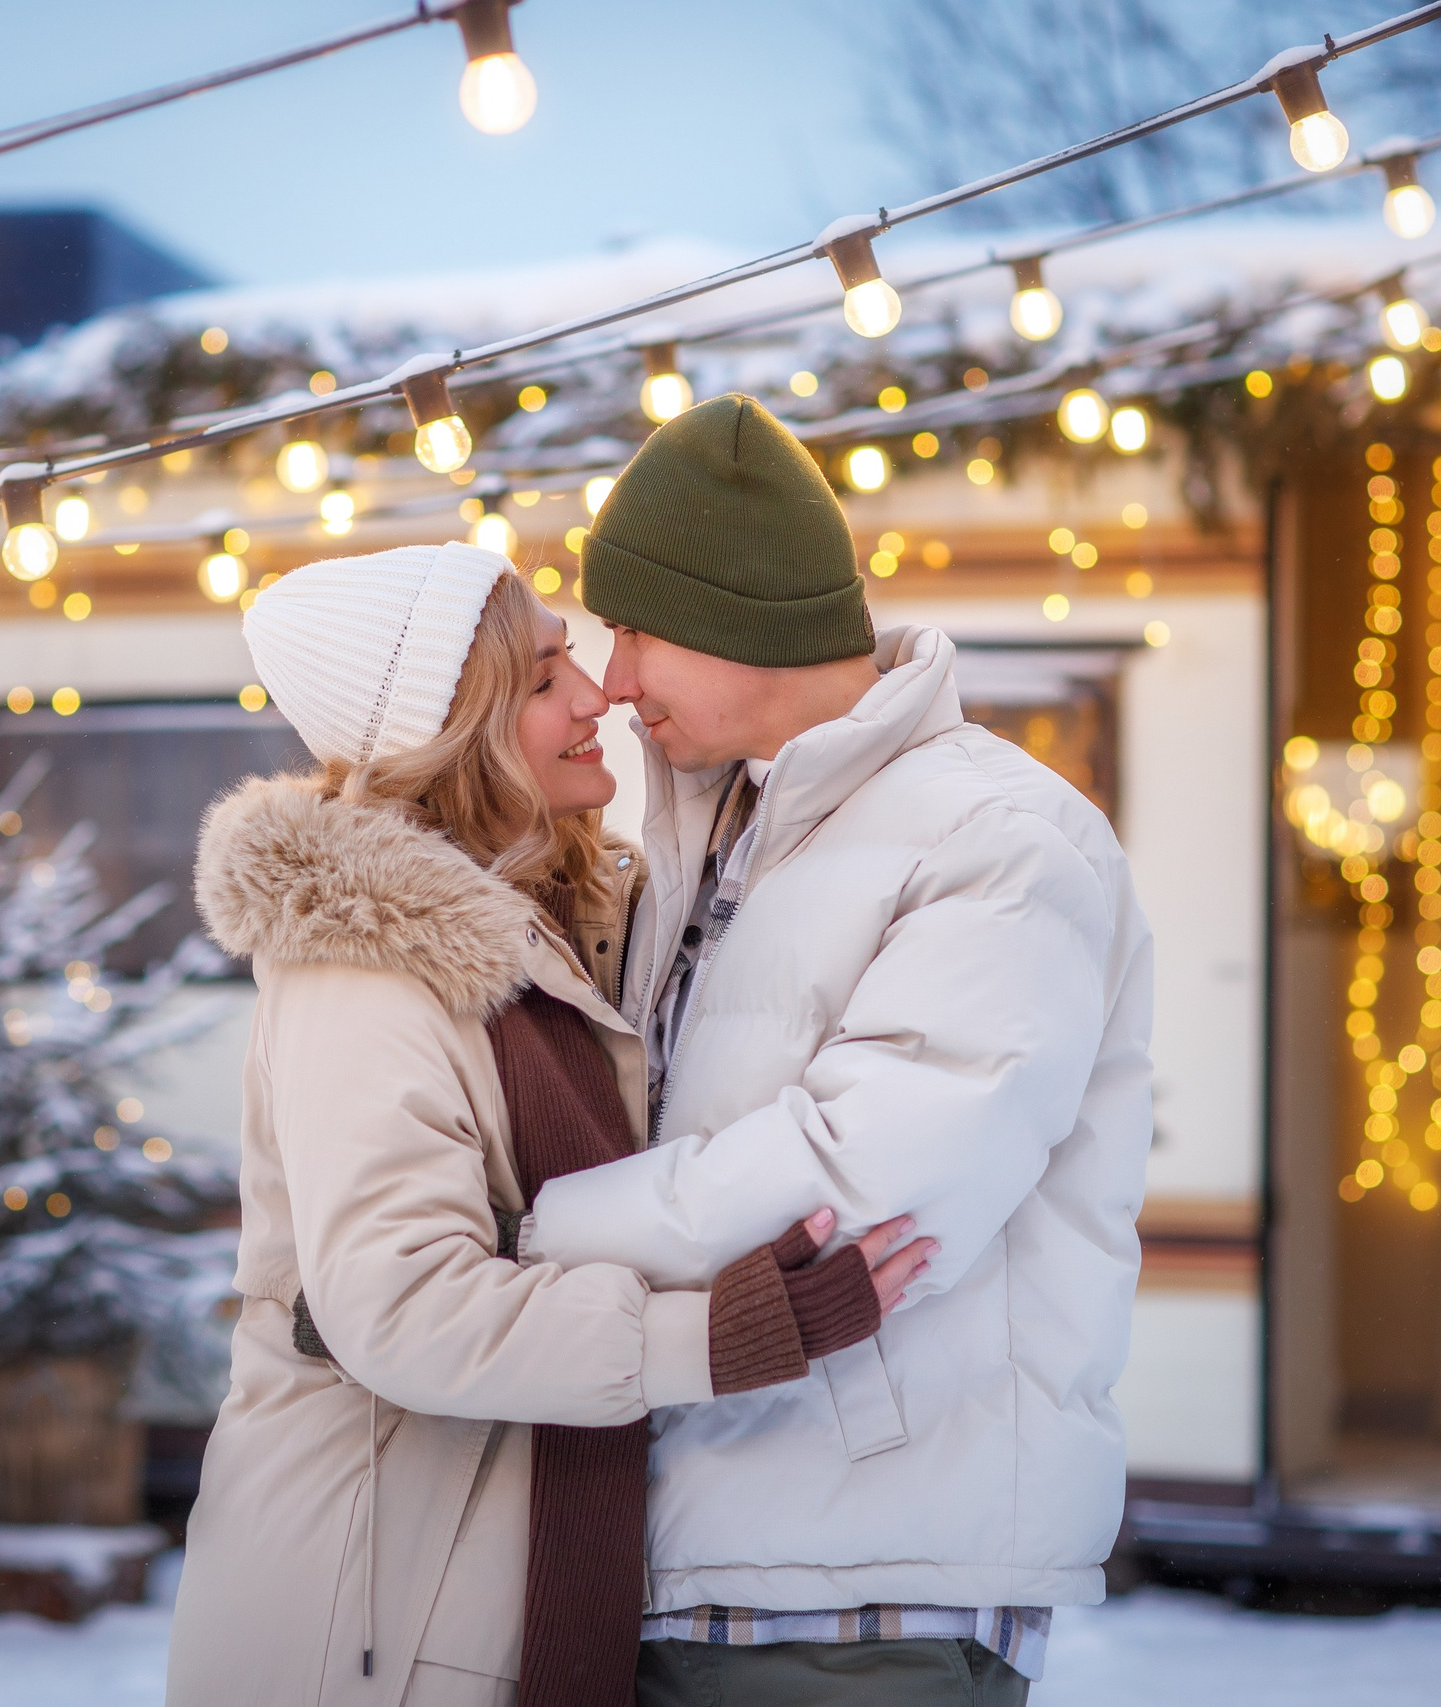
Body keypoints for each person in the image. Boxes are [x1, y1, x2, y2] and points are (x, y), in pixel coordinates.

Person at [166, 541, 933, 1707]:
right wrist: (716, 1337)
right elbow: (401, 1306)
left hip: (485, 1584)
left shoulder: (562, 928)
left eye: (570, 657)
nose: (594, 698)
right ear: (449, 735)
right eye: (539, 681)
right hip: (370, 1619)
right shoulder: (362, 970)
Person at [513, 395, 1157, 1707]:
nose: (614, 681)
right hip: (695, 1553)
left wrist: (515, 1243)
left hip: (870, 1590)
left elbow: (862, 1185)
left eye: (634, 630)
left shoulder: (1001, 838)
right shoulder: (716, 837)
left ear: (736, 616)